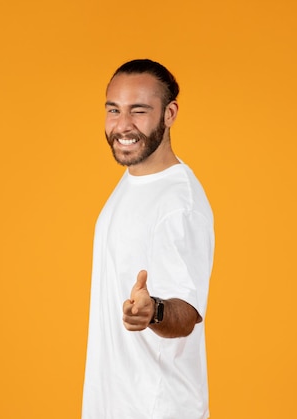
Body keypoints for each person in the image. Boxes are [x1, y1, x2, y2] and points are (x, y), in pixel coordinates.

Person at [82, 59, 215, 419]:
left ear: (169, 114)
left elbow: (186, 313)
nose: (123, 125)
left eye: (139, 111)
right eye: (114, 110)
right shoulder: (134, 179)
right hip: (114, 404)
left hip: (158, 409)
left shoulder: (178, 203)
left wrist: (153, 309)